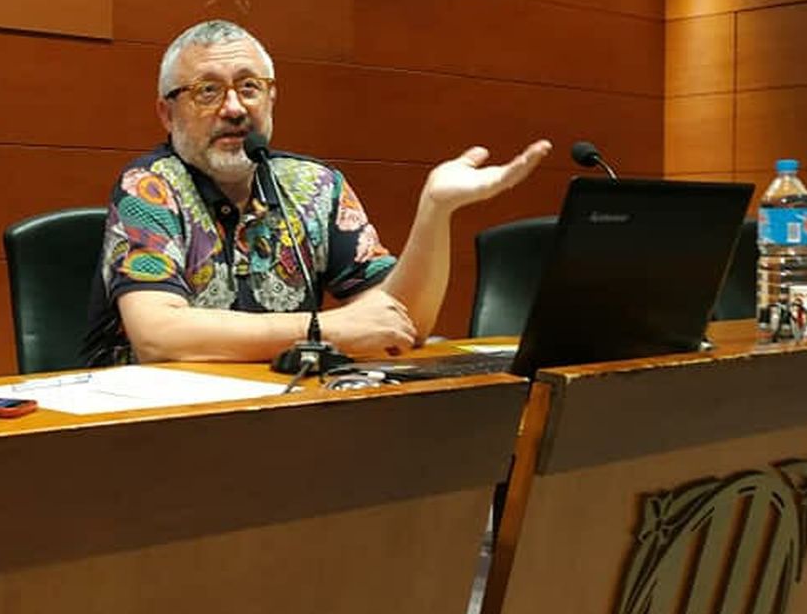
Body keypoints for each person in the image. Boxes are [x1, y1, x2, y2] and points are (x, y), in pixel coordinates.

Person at [82, 19, 551, 366]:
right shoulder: (150, 186)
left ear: (272, 98)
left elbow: (397, 322)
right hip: (152, 429)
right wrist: (323, 329)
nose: (234, 108)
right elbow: (159, 335)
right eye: (208, 91)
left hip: (278, 412)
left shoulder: (313, 187)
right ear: (167, 114)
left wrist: (435, 211)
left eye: (249, 88)